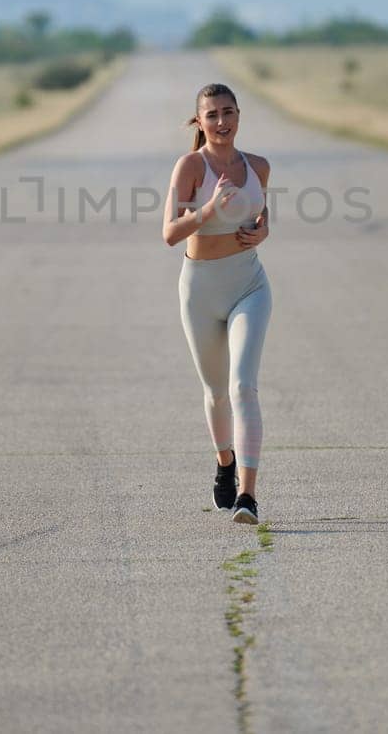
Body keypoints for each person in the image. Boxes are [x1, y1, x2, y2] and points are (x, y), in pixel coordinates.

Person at [162, 82, 273, 525]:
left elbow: (262, 215)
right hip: (200, 289)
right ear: (200, 122)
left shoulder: (259, 166)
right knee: (215, 393)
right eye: (212, 115)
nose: (222, 122)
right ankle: (224, 463)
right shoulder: (190, 166)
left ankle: (248, 496)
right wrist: (206, 212)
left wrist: (264, 232)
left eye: (229, 112)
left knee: (243, 386)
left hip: (250, 284)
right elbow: (169, 233)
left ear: (240, 115)